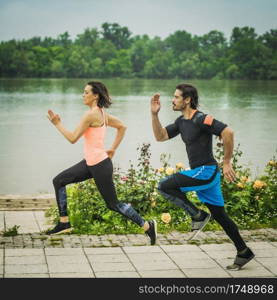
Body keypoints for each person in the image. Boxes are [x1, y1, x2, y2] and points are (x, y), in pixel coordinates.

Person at [150, 83, 254, 270]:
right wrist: (154, 115)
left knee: (164, 185)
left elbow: (228, 132)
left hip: (206, 171)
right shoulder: (181, 122)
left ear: (187, 100)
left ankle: (197, 215)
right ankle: (243, 251)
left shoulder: (202, 119)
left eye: (176, 97)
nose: (172, 100)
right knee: (220, 216)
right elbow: (161, 136)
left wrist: (227, 161)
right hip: (203, 174)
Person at [46, 81, 157, 245]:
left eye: (86, 92)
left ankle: (148, 226)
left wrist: (57, 124)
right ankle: (64, 222)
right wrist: (112, 149)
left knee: (113, 204)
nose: (83, 95)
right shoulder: (102, 114)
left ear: (95, 95)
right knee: (59, 181)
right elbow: (122, 127)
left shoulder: (91, 115)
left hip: (99, 165)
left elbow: (72, 138)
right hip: (91, 163)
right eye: (83, 92)